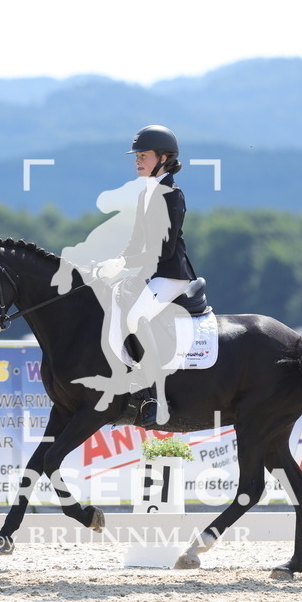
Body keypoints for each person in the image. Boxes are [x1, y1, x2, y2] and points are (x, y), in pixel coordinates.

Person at [117, 125, 197, 426]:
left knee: (137, 317)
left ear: (164, 158)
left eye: (143, 156)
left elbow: (163, 250)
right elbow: (137, 241)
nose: (137, 161)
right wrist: (114, 262)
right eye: (136, 156)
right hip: (149, 272)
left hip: (170, 274)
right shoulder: (146, 194)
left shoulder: (172, 195)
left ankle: (156, 396)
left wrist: (127, 262)